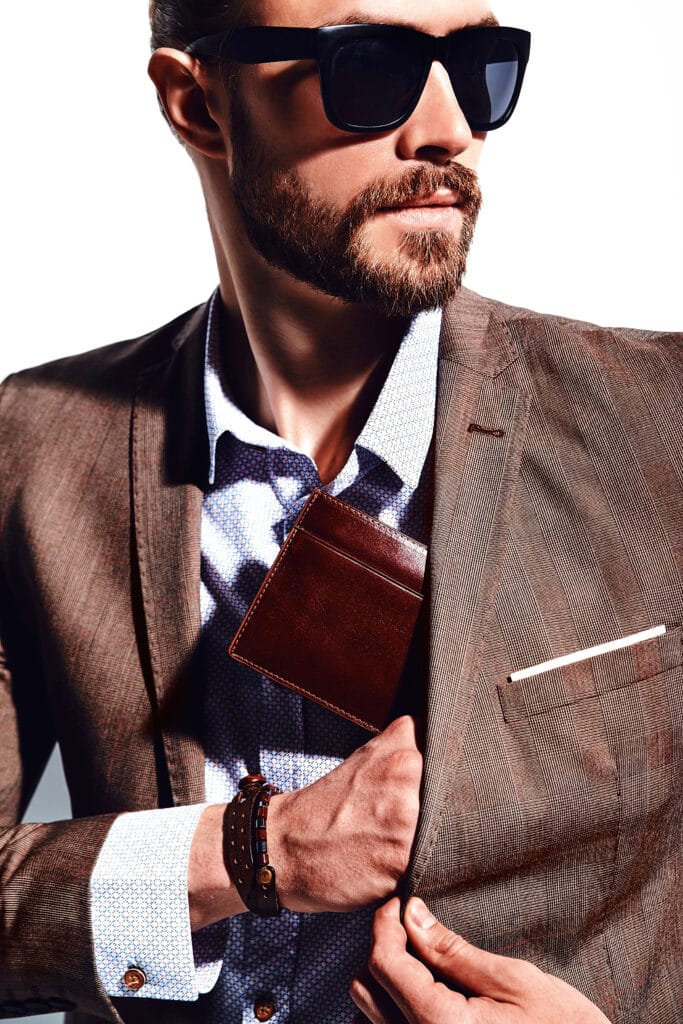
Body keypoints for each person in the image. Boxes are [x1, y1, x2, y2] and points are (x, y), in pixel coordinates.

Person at [0, 1, 680, 1023]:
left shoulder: (657, 418)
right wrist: (255, 851)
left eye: (481, 65)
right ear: (197, 104)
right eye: (371, 68)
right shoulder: (32, 444)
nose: (449, 129)